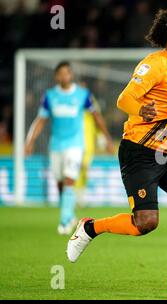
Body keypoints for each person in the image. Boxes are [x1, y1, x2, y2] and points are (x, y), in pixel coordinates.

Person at [66, 8, 167, 294]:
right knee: (146, 223)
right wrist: (142, 108)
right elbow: (124, 98)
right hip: (139, 151)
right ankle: (91, 227)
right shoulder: (154, 64)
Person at [24, 61, 114, 235]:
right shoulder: (50, 96)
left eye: (66, 73)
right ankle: (70, 213)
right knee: (60, 182)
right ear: (56, 76)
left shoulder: (83, 95)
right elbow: (41, 119)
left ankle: (65, 221)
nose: (63, 76)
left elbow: (96, 117)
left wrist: (107, 138)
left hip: (75, 145)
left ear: (71, 75)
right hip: (56, 145)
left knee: (69, 180)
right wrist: (30, 140)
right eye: (60, 73)